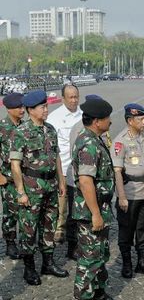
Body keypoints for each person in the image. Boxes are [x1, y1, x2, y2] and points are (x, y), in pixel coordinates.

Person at [71, 96, 123, 300]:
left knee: (101, 255)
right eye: (107, 118)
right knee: (89, 258)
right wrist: (95, 214)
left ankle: (98, 294)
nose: (110, 122)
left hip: (100, 207)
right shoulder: (88, 144)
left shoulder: (95, 138)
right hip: (90, 211)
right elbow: (85, 181)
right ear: (96, 121)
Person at [10, 90, 68, 285]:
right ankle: (29, 268)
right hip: (31, 188)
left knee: (49, 225)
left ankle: (48, 263)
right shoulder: (21, 132)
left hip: (51, 184)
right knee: (29, 228)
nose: (46, 109)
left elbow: (56, 156)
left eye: (46, 106)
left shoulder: (50, 129)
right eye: (42, 107)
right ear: (30, 110)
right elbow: (15, 165)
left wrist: (61, 181)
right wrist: (20, 192)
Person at [112, 103, 144, 279]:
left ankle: (142, 262)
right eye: (140, 119)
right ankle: (126, 263)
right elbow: (117, 171)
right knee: (126, 230)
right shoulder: (120, 141)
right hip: (130, 194)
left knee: (143, 229)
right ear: (130, 120)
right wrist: (122, 197)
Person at [46, 84, 82, 249]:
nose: (74, 100)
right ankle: (58, 231)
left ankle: (74, 237)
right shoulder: (54, 117)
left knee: (77, 205)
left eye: (76, 97)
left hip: (80, 169)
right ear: (63, 98)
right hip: (62, 168)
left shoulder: (84, 114)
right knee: (61, 204)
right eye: (71, 97)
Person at [0, 93, 24, 259]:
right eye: (18, 107)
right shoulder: (2, 127)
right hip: (7, 177)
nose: (22, 110)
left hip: (24, 177)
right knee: (10, 212)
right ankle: (10, 242)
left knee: (24, 211)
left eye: (23, 107)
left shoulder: (25, 126)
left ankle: (25, 242)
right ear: (9, 109)